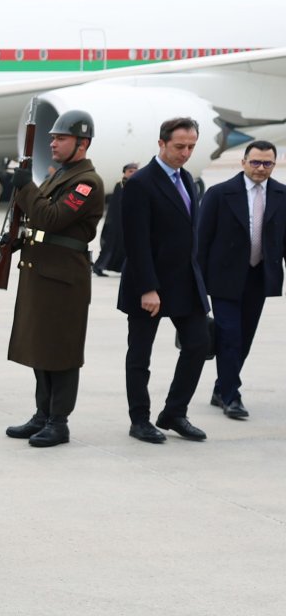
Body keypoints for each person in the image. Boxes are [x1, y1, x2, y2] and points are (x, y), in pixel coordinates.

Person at [4, 110, 105, 447]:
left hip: (64, 280)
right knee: (41, 347)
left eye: (60, 138)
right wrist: (17, 239)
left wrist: (26, 189)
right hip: (42, 273)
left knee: (61, 352)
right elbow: (38, 220)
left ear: (82, 143)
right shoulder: (59, 175)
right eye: (52, 137)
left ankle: (58, 421)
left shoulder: (87, 182)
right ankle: (42, 413)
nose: (53, 142)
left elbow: (52, 217)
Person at [119, 117, 209, 444]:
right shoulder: (141, 183)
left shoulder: (187, 179)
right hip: (150, 284)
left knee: (199, 343)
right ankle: (139, 419)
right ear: (161, 143)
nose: (185, 153)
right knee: (140, 355)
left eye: (191, 147)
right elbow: (136, 240)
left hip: (184, 281)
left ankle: (174, 412)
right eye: (179, 146)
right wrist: (147, 287)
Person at [197, 142, 285, 419]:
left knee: (245, 338)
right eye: (256, 162)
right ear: (244, 161)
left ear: (275, 164)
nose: (261, 168)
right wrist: (196, 284)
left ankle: (221, 386)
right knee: (230, 336)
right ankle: (230, 395)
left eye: (267, 164)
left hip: (259, 277)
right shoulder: (219, 194)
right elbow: (201, 241)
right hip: (224, 278)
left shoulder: (282, 195)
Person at [95, 163, 136, 275]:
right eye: (130, 171)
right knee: (110, 246)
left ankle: (125, 269)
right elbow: (116, 206)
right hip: (117, 223)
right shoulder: (120, 185)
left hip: (128, 222)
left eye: (135, 171)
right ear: (125, 172)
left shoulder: (135, 184)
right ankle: (99, 266)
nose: (133, 173)